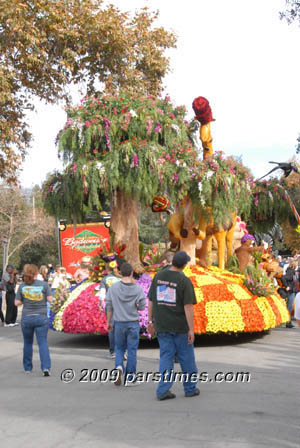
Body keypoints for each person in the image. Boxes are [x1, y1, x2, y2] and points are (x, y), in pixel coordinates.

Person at [147, 251, 199, 401]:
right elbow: (188, 306)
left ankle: (163, 390)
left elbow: (151, 300)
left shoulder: (158, 277)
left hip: (162, 325)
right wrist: (191, 329)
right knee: (187, 358)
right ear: (184, 265)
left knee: (166, 358)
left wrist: (150, 322)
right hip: (180, 327)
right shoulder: (184, 281)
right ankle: (190, 389)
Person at [106, 262, 146, 386]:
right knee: (132, 351)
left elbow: (109, 306)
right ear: (132, 273)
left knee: (119, 348)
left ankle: (118, 366)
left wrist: (108, 322)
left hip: (118, 323)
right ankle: (130, 378)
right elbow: (142, 306)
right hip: (133, 323)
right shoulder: (137, 289)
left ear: (120, 273)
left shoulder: (113, 288)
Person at [15, 264, 53, 375]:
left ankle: (27, 368)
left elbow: (16, 303)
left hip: (27, 317)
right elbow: (50, 300)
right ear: (37, 273)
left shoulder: (22, 286)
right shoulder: (44, 285)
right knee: (42, 343)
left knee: (27, 343)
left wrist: (25, 300)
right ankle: (45, 367)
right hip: (41, 317)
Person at [97, 261, 121, 358]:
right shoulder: (120, 278)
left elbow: (102, 294)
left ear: (107, 269)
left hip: (110, 304)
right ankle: (121, 350)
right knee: (120, 326)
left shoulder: (104, 279)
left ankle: (113, 351)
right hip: (120, 304)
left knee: (111, 327)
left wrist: (100, 303)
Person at [282, 261, 298, 328]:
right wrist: (287, 286)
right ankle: (288, 322)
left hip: (292, 291)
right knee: (290, 307)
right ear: (295, 265)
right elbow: (283, 278)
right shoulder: (291, 271)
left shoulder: (292, 271)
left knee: (290, 307)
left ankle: (289, 322)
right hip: (290, 291)